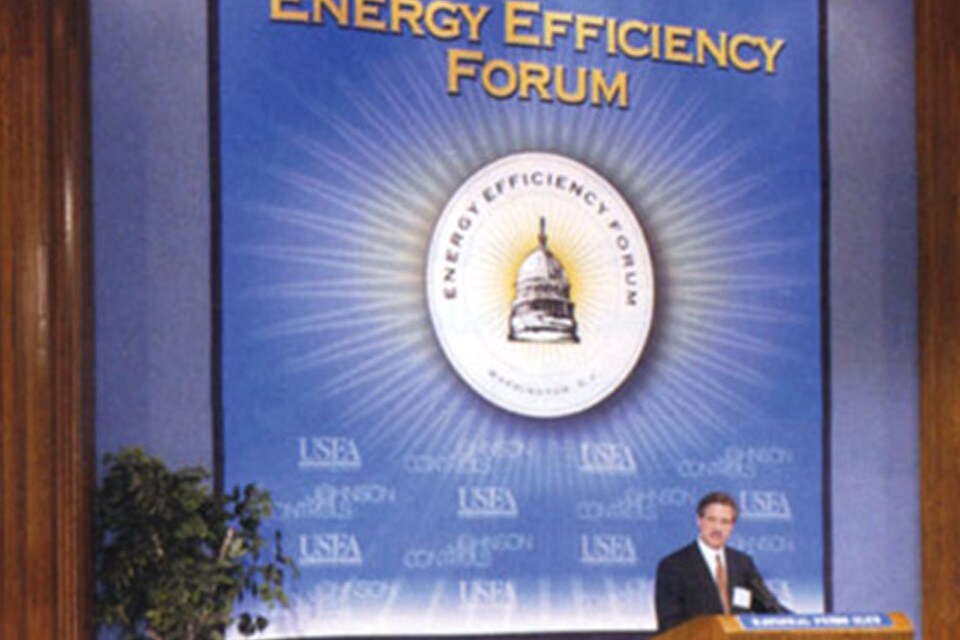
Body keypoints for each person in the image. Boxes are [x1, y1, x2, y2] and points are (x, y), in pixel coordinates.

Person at [654, 491, 786, 633]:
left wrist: (796, 622)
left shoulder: (743, 564)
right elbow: (669, 623)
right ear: (699, 521)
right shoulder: (674, 566)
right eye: (711, 519)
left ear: (732, 527)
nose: (717, 528)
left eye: (725, 522)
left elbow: (767, 607)